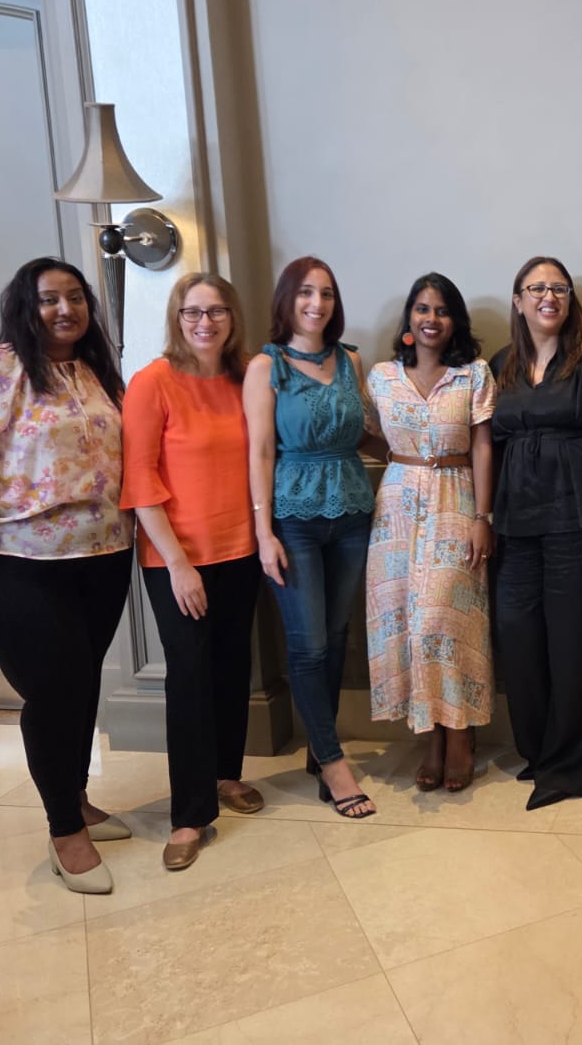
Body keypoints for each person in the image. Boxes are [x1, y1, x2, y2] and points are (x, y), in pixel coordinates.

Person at [0, 257, 132, 894]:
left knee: (81, 679)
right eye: (48, 300)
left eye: (74, 298)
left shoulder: (94, 371)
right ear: (24, 306)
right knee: (53, 687)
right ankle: (64, 827)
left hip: (102, 556)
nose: (64, 310)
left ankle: (78, 797)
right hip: (17, 562)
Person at [122, 272, 265, 870]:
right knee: (189, 675)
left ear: (233, 317)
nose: (204, 323)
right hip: (176, 559)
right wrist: (179, 565)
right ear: (176, 319)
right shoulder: (152, 382)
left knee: (233, 667)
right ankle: (188, 815)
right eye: (192, 313)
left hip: (241, 550)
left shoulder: (243, 379)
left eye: (216, 311)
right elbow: (140, 481)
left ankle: (226, 776)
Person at [490, 256, 582, 811]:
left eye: (559, 288)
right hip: (517, 526)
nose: (549, 297)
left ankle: (573, 766)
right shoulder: (500, 364)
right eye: (537, 288)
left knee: (576, 645)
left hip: (581, 520)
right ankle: (541, 751)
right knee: (520, 641)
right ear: (518, 299)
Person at [245, 257, 377, 820]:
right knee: (309, 644)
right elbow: (259, 451)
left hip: (351, 508)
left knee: (338, 633)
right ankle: (332, 760)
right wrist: (262, 531)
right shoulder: (265, 364)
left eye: (325, 293)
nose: (316, 304)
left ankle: (318, 750)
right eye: (305, 293)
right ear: (287, 300)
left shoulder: (351, 361)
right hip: (293, 515)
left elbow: (368, 432)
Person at [365, 273, 496, 792]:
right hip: (396, 509)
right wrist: (405, 463)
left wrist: (483, 517)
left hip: (456, 500)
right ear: (408, 320)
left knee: (445, 621)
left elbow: (484, 446)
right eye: (422, 309)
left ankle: (459, 734)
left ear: (455, 320)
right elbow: (365, 435)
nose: (431, 319)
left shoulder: (473, 375)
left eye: (441, 310)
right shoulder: (379, 377)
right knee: (407, 625)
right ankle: (430, 737)